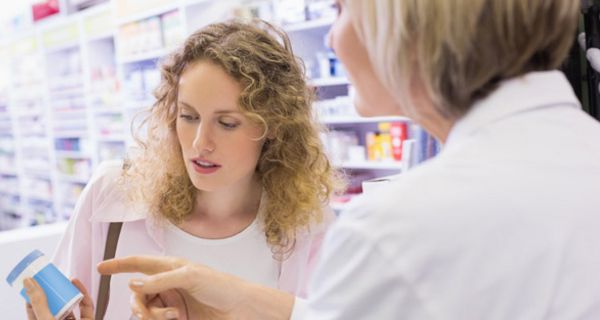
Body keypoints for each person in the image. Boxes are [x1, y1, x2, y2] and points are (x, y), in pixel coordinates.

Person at [33, 0, 600, 319]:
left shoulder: (392, 229)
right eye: (187, 116)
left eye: (343, 7)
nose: (332, 37)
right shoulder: (580, 155)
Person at [24, 20, 341, 319]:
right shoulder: (113, 192)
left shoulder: (306, 224)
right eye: (188, 117)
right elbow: (62, 304)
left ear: (273, 125)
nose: (201, 143)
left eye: (227, 123)